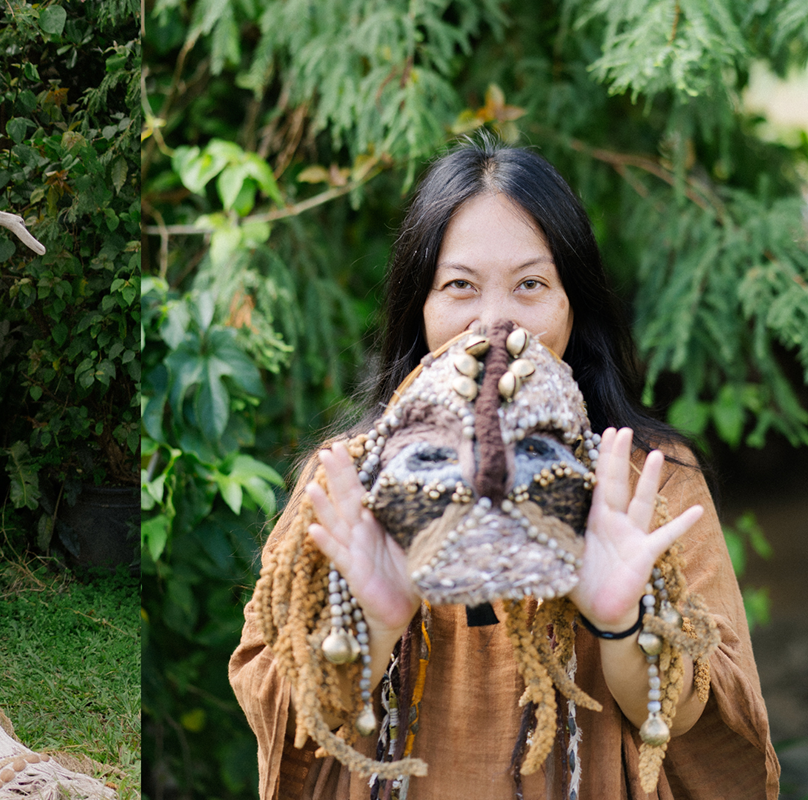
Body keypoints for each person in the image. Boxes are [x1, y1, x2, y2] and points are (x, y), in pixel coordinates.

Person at [229, 137, 779, 799]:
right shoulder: (350, 484)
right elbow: (289, 719)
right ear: (421, 307)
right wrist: (372, 625)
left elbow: (694, 717)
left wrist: (622, 620)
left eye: (531, 285)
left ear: (572, 305)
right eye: (459, 286)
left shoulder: (648, 482)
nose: (495, 322)